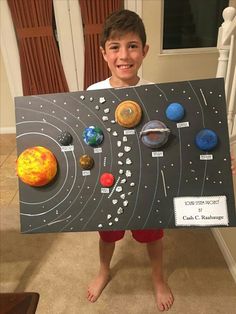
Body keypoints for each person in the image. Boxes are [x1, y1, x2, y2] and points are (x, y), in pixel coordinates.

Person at [86, 9, 174, 312]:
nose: (124, 55)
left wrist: (214, 160)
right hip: (108, 181)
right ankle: (104, 270)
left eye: (133, 46)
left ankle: (158, 278)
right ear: (104, 53)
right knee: (107, 233)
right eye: (115, 47)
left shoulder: (156, 94)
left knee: (153, 235)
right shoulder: (92, 93)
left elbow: (172, 139)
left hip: (146, 182)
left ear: (144, 51)